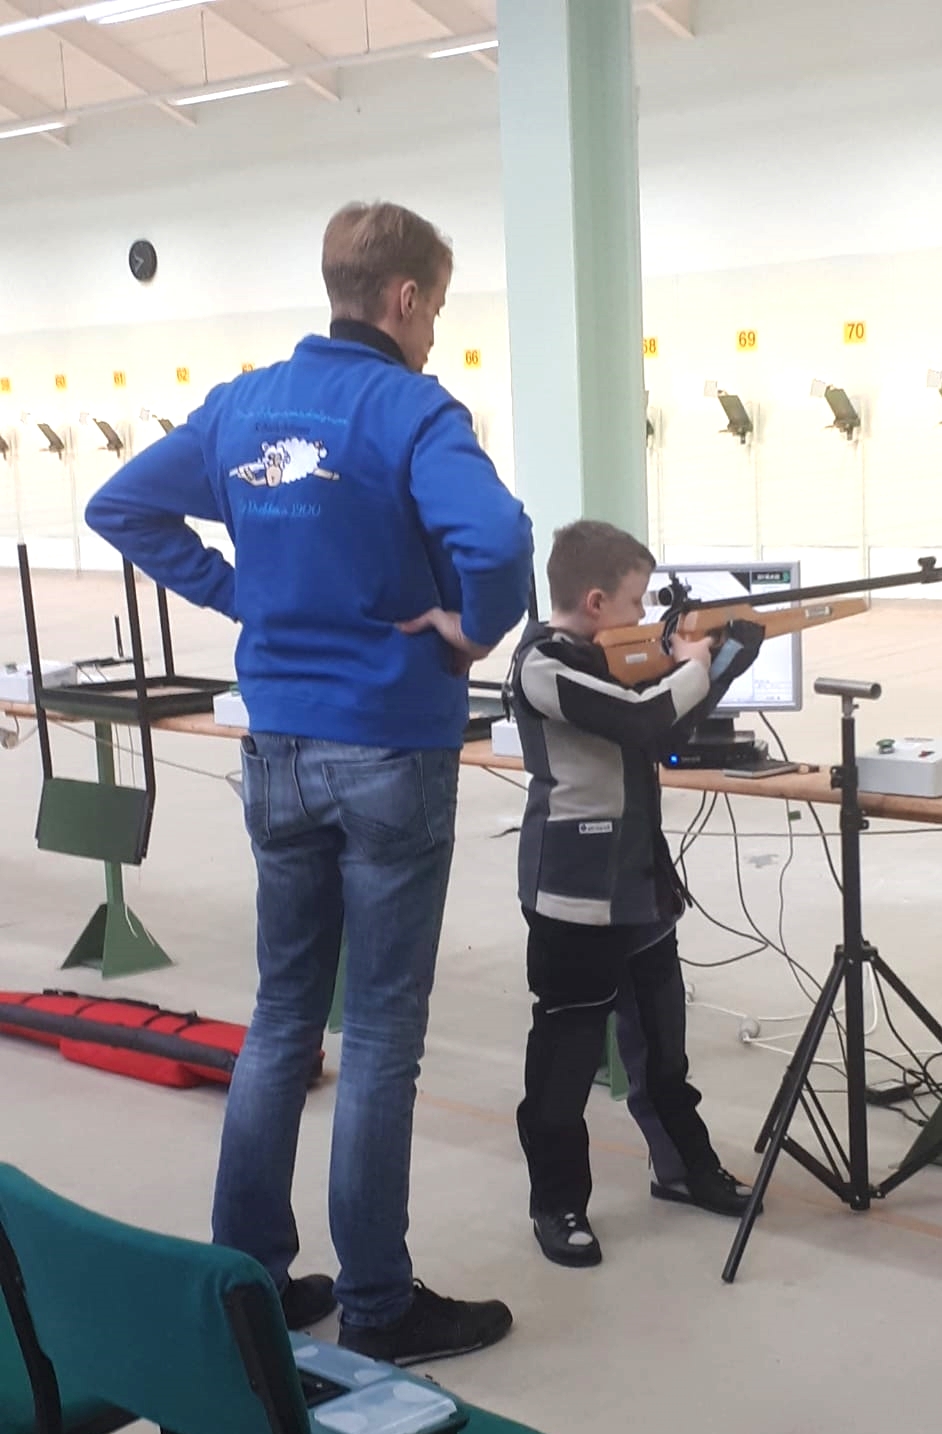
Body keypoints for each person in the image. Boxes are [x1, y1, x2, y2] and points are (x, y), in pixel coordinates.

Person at [85, 201, 532, 1365]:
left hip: (275, 747)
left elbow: (121, 504)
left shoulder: (243, 405)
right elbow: (497, 544)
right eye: (435, 308)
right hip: (388, 747)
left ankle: (249, 1283)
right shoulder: (414, 410)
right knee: (378, 1032)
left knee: (284, 1015)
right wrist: (469, 628)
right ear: (404, 298)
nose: (433, 330)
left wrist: (246, 595)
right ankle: (379, 1304)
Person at [505, 519, 761, 1266]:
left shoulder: (604, 658)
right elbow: (639, 715)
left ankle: (682, 1167)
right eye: (635, 600)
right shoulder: (544, 665)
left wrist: (724, 664)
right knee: (564, 1062)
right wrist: (695, 662)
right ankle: (557, 1203)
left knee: (662, 1048)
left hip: (638, 882)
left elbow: (662, 734)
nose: (644, 614)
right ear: (594, 601)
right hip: (573, 891)